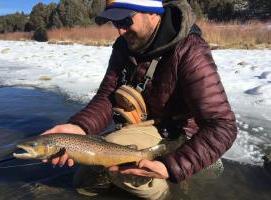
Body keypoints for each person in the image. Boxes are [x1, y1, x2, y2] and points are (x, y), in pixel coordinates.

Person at [43, 0, 237, 199]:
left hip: (178, 132)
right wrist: (79, 128)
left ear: (153, 13)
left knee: (121, 170)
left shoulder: (189, 49)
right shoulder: (123, 46)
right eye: (114, 23)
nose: (120, 31)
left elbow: (223, 126)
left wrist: (170, 166)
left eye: (125, 21)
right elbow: (107, 96)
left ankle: (166, 193)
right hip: (140, 124)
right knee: (85, 183)